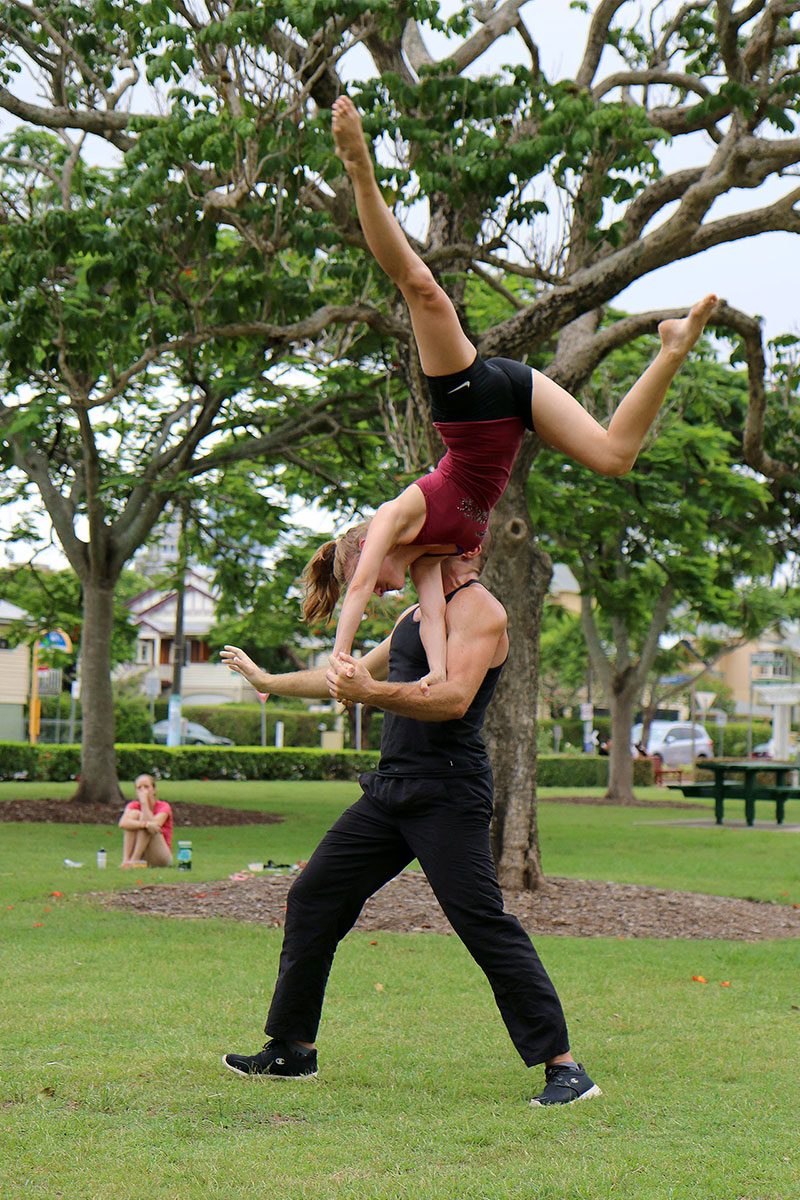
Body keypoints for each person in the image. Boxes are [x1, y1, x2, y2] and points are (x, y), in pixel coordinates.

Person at [302, 95, 717, 691]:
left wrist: (341, 655)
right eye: (390, 585)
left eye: (377, 575)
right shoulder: (428, 557)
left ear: (369, 546)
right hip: (516, 401)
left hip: (469, 409)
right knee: (614, 457)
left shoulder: (397, 517)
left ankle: (359, 166)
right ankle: (672, 348)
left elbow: (363, 585)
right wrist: (435, 677)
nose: (386, 589)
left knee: (419, 286)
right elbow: (436, 616)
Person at [219, 542, 601, 1107]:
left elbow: (451, 699)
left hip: (447, 793)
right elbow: (346, 677)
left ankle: (566, 1070)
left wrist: (369, 694)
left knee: (482, 923)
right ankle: (292, 1050)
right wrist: (269, 680)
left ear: (455, 547)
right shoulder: (412, 617)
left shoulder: (481, 611)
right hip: (389, 790)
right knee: (313, 898)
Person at [118, 774, 173, 868]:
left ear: (154, 790)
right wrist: (144, 824)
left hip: (160, 855)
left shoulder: (164, 806)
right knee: (134, 815)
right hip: (144, 855)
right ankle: (126, 860)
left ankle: (134, 860)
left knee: (145, 819)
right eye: (139, 788)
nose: (143, 790)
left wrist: (144, 804)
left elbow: (154, 827)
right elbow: (122, 823)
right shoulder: (133, 805)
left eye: (146, 787)